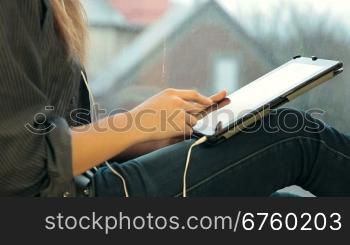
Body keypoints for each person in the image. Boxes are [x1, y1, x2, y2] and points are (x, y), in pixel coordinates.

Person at [1, 0, 349, 197]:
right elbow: (20, 166)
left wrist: (148, 137)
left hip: (81, 181)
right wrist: (134, 125)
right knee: (294, 137)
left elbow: (52, 135)